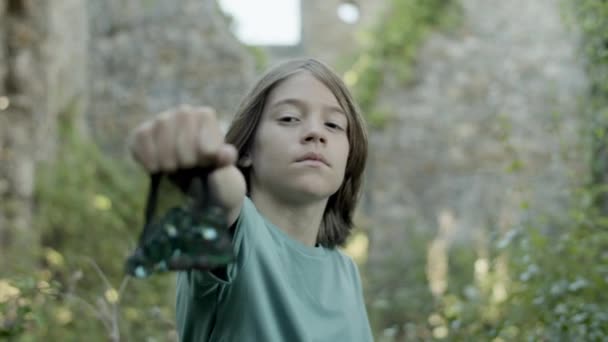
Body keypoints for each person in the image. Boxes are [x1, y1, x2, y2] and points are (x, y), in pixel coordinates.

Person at [128, 58, 373, 341]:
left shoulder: (346, 272)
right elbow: (223, 195)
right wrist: (202, 167)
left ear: (349, 157)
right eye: (289, 118)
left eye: (333, 124)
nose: (316, 133)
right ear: (246, 150)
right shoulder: (235, 240)